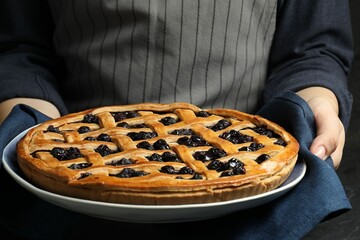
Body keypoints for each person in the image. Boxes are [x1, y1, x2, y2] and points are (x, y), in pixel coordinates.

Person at [0, 0, 353, 238]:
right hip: (75, 183)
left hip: (242, 177)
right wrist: (27, 126)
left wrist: (315, 104)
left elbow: (311, 47)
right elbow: (21, 49)